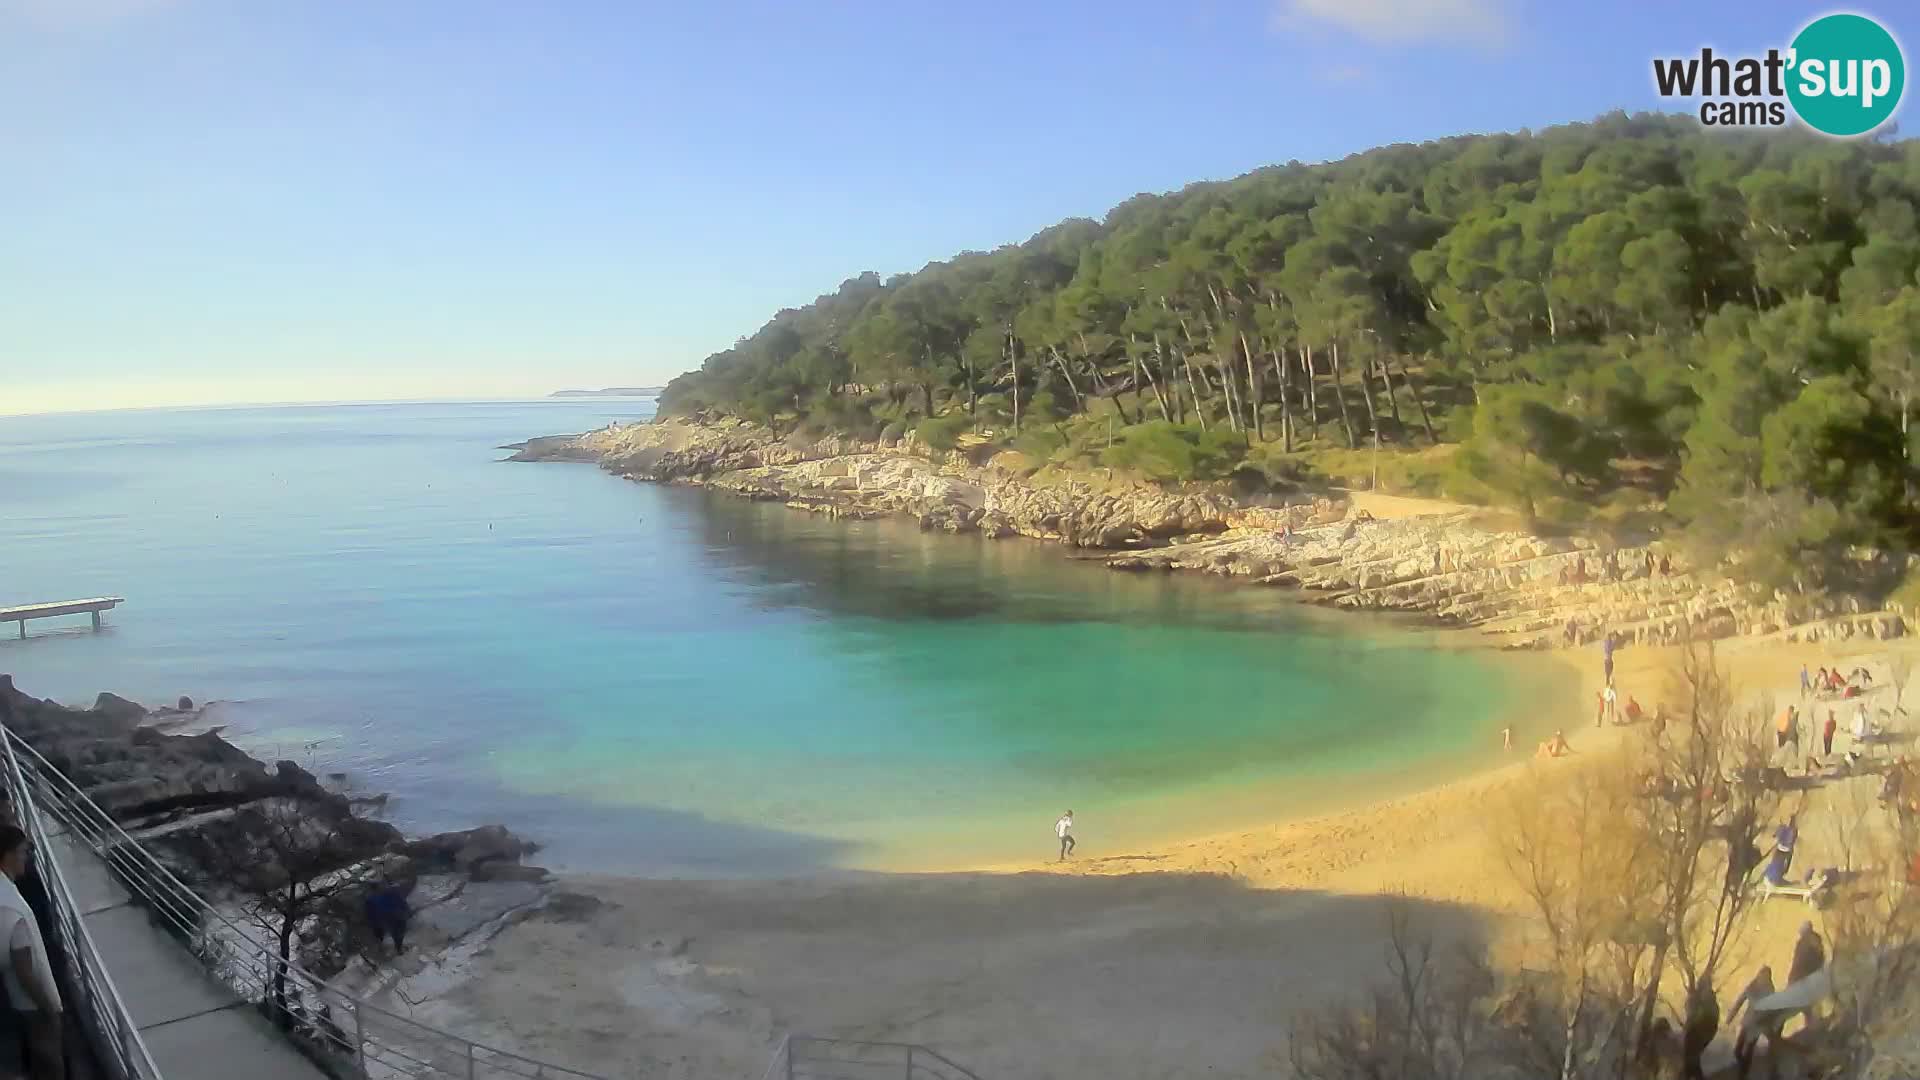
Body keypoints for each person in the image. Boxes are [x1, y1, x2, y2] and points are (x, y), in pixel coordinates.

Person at [0, 828, 61, 1080]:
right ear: (7, 856)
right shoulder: (11, 908)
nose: (26, 857)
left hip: (19, 1000)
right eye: (23, 852)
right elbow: (24, 970)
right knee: (50, 1062)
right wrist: (49, 1009)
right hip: (33, 1005)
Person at [1728, 965, 1780, 1080]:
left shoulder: (1770, 991)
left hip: (1758, 1026)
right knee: (1737, 1050)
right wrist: (1731, 1016)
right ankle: (1743, 1069)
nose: (1763, 978)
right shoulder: (1752, 986)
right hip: (1747, 1023)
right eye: (1762, 975)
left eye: (1766, 976)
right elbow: (1740, 1000)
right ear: (1759, 975)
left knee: (1749, 1050)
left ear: (1769, 977)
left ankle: (1742, 1075)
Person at [1681, 976, 1720, 1080]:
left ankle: (1690, 1076)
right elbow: (1690, 1012)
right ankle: (1690, 1075)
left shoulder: (1709, 1001)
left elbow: (1709, 1019)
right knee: (1691, 1057)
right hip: (1696, 1030)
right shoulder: (1697, 997)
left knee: (1692, 1056)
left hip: (1702, 1031)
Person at [364, 882, 412, 956]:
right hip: (393, 919)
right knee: (397, 934)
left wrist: (406, 911)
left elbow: (401, 902)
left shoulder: (371, 899)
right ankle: (397, 949)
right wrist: (406, 911)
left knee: (382, 934)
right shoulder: (390, 894)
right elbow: (402, 903)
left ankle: (384, 947)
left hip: (387, 919)